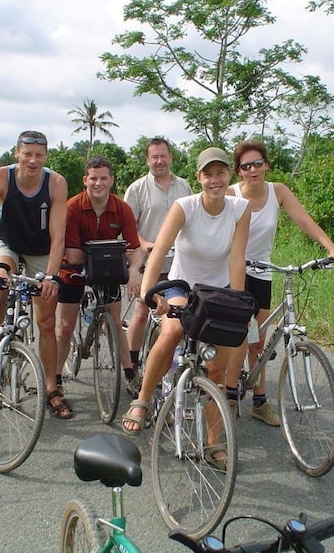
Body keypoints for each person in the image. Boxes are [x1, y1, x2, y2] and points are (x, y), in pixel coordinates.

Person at [121, 147, 251, 470]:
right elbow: (161, 249)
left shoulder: (239, 209)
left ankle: (213, 442)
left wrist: (236, 301)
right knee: (175, 329)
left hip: (217, 289)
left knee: (217, 369)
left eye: (221, 173)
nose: (215, 180)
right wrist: (151, 293)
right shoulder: (185, 206)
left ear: (229, 176)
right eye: (208, 174)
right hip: (181, 286)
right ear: (199, 178)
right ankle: (143, 399)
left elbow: (237, 259)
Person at [226, 139, 334, 426]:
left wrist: (331, 248)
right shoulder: (231, 195)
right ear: (238, 171)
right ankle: (230, 395)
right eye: (246, 166)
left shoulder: (277, 191)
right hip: (232, 270)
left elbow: (305, 221)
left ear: (267, 165)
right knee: (239, 336)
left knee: (258, 342)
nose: (253, 170)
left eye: (258, 163)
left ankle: (259, 402)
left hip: (263, 270)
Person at [0, 130, 68, 417]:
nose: (33, 160)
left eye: (39, 155)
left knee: (46, 322)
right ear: (17, 153)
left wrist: (50, 276)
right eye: (27, 154)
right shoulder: (0, 177)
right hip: (6, 242)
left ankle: (51, 388)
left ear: (45, 157)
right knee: (1, 278)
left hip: (40, 248)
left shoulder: (56, 183)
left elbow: (58, 238)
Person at [55, 156, 143, 416]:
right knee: (66, 326)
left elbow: (134, 248)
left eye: (104, 178)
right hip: (74, 268)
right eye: (93, 178)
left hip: (106, 268)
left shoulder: (122, 208)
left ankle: (129, 372)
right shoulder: (72, 207)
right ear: (85, 180)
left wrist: (135, 270)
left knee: (117, 324)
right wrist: (113, 255)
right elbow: (71, 254)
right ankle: (56, 379)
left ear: (112, 180)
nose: (98, 183)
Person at [123, 137, 192, 374]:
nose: (160, 161)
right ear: (148, 160)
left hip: (179, 265)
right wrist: (146, 245)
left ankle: (174, 367)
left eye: (163, 156)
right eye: (155, 157)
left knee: (178, 316)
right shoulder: (137, 188)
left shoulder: (184, 186)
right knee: (142, 312)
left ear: (171, 157)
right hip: (149, 262)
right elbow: (128, 226)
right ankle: (131, 365)